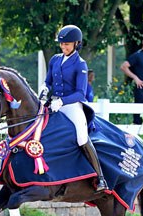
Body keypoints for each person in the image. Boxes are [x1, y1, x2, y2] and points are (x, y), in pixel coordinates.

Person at [38, 25, 107, 191]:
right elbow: (48, 81)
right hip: (53, 104)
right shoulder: (55, 59)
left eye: (67, 44)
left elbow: (80, 93)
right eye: (62, 44)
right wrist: (45, 88)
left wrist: (62, 102)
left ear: (76, 43)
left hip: (72, 106)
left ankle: (100, 177)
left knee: (82, 138)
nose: (63, 47)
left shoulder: (80, 64)